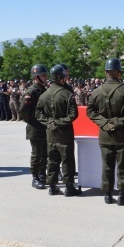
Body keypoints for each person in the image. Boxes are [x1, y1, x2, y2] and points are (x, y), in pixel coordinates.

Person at [86, 58, 124, 205]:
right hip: (122, 134)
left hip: (105, 134)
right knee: (123, 165)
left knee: (107, 165)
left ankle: (108, 194)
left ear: (105, 72)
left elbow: (90, 112)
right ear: (119, 73)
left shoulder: (96, 91)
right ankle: (123, 195)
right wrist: (117, 122)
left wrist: (104, 123)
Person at [35, 64, 81, 197]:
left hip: (51, 132)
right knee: (67, 159)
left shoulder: (44, 95)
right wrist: (59, 123)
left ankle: (52, 186)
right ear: (62, 78)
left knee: (52, 159)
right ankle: (68, 187)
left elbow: (38, 114)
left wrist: (50, 123)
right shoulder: (67, 94)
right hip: (64, 132)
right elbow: (73, 115)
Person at [19, 64, 49, 189]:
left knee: (44, 154)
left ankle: (42, 175)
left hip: (44, 127)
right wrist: (33, 122)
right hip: (36, 128)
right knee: (37, 154)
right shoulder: (31, 92)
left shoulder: (43, 90)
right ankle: (35, 177)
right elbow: (23, 111)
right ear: (36, 77)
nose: (46, 77)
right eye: (43, 75)